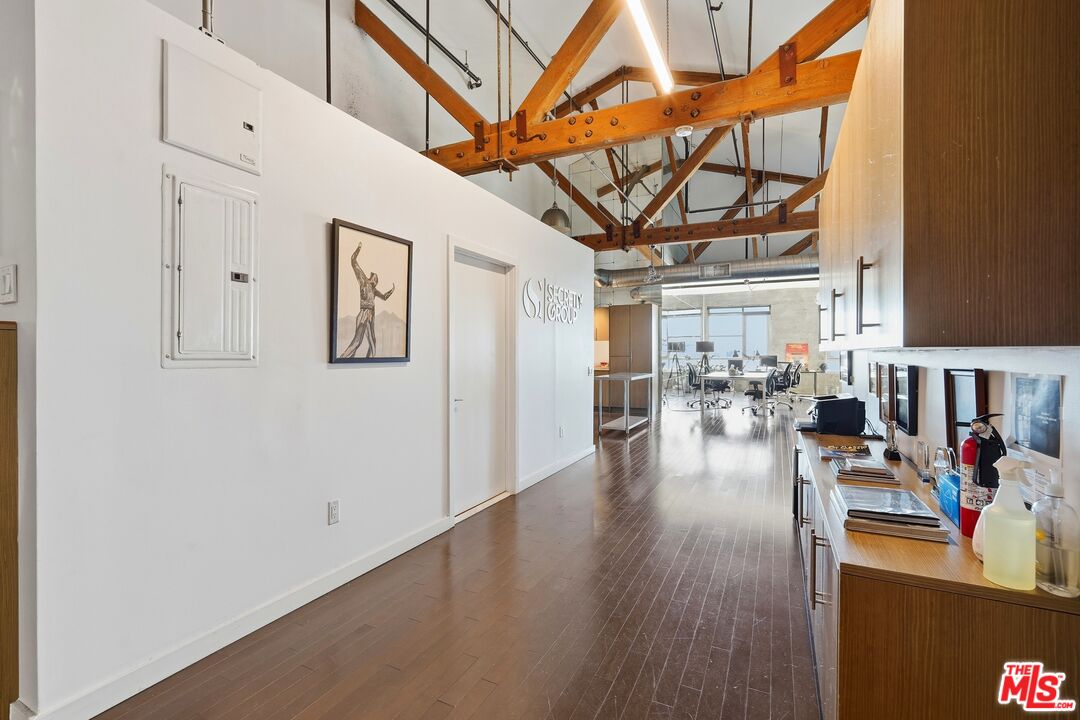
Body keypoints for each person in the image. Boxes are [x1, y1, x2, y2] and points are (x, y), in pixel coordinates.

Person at [342, 241, 394, 358]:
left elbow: (384, 297)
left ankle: (369, 360)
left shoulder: (374, 290)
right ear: (371, 279)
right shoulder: (363, 281)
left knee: (372, 341)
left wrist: (392, 290)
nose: (376, 280)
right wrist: (359, 248)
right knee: (357, 342)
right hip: (364, 313)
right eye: (375, 278)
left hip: (370, 315)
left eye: (376, 279)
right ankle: (344, 357)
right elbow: (353, 261)